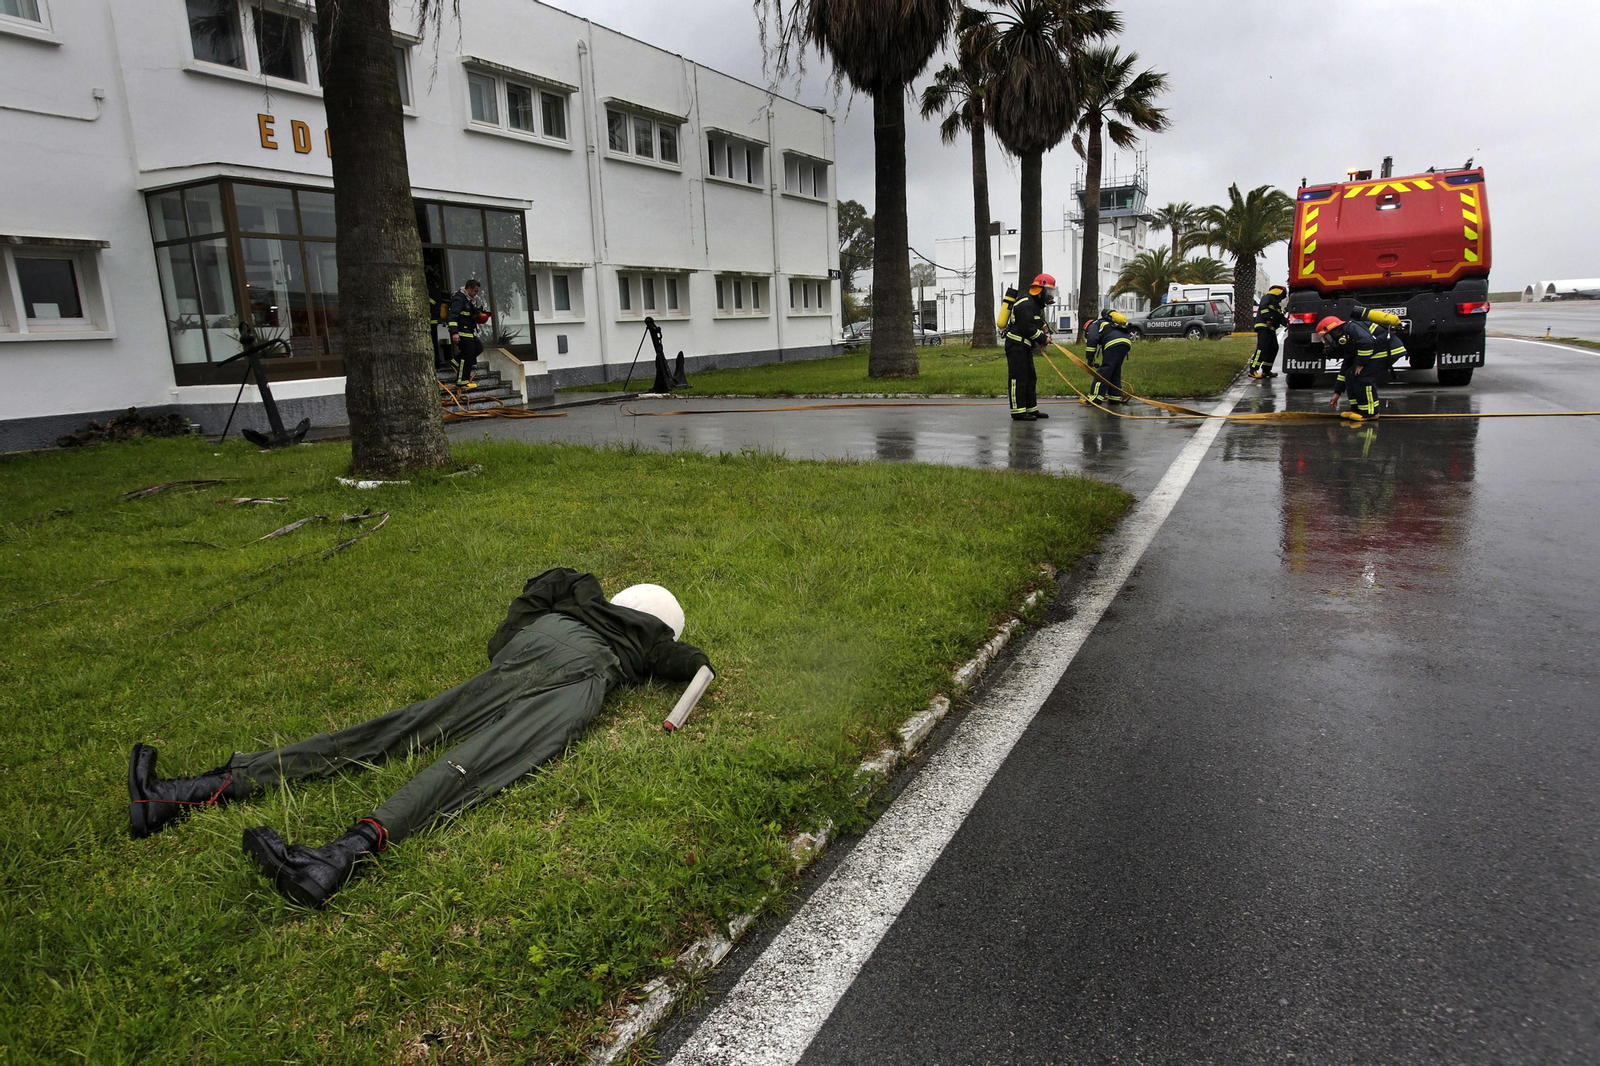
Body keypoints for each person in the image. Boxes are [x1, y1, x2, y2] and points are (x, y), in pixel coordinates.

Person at [126, 569, 714, 908]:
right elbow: (695, 667)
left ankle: (186, 792)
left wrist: (508, 644)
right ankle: (339, 857)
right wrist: (694, 675)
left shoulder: (583, 592)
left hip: (540, 645)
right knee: (478, 762)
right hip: (583, 675)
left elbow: (542, 585)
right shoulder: (656, 641)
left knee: (401, 727)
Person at [1317, 307, 1405, 421]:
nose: (1326, 342)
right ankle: (1356, 409)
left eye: (1325, 338)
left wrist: (1360, 363)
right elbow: (1347, 365)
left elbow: (1367, 342)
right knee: (1350, 375)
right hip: (1379, 350)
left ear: (1332, 331)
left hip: (1389, 349)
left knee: (1363, 378)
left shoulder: (1351, 328)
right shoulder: (1347, 339)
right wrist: (1337, 391)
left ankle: (1369, 413)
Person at [1002, 273, 1056, 421]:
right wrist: (1043, 339)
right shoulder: (1025, 304)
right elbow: (1028, 329)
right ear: (1040, 290)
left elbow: (1036, 322)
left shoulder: (1032, 304)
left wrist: (1044, 329)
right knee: (1018, 379)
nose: (1050, 296)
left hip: (1024, 346)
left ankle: (1031, 409)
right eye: (1049, 292)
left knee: (1030, 378)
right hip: (1016, 346)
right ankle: (1018, 412)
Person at [446, 279, 490, 389]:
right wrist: (454, 332)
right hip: (461, 332)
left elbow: (468, 313)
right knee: (468, 355)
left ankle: (456, 362)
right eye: (475, 291)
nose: (476, 293)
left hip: (469, 331)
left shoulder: (469, 299)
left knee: (478, 348)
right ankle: (462, 381)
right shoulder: (459, 298)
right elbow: (453, 316)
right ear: (469, 288)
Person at [1086, 309, 1133, 405]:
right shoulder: (1111, 324)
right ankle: (1115, 398)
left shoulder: (1094, 324)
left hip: (1113, 343)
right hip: (1126, 343)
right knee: (1115, 370)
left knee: (1104, 372)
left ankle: (1095, 398)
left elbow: (1092, 339)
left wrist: (1090, 358)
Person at [1249, 285, 1289, 379]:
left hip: (1270, 329)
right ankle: (1253, 369)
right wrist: (1269, 318)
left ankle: (1266, 370)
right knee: (1262, 348)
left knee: (1273, 348)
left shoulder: (1276, 304)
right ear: (1278, 292)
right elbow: (1263, 308)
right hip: (1263, 327)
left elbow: (1279, 317)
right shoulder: (1267, 297)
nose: (1281, 299)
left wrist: (1287, 324)